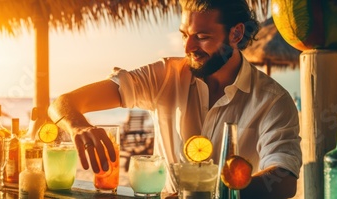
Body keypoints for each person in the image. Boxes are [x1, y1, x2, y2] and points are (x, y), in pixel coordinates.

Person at [47, 0, 301, 198]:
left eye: (202, 37)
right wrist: (78, 126)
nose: (188, 47)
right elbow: (64, 102)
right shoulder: (164, 76)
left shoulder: (273, 101)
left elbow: (284, 179)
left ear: (235, 35)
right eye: (184, 35)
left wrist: (207, 196)